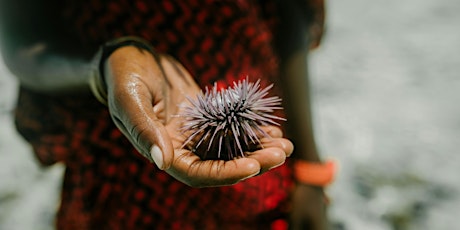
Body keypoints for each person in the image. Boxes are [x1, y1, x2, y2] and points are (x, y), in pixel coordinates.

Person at [0, 0, 335, 229]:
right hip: (120, 168)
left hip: (258, 180)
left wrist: (310, 172)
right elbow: (23, 41)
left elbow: (289, 15)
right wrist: (105, 65)